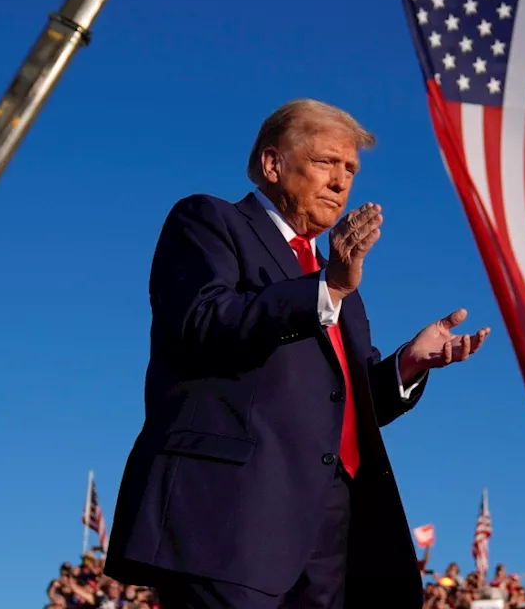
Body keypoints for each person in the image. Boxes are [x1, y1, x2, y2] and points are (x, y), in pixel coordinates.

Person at [105, 99, 491, 609]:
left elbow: (342, 401)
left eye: (350, 169)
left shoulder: (337, 283)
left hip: (330, 531)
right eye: (327, 162)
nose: (341, 181)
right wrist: (327, 286)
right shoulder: (208, 220)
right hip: (230, 517)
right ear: (273, 164)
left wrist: (407, 364)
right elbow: (203, 322)